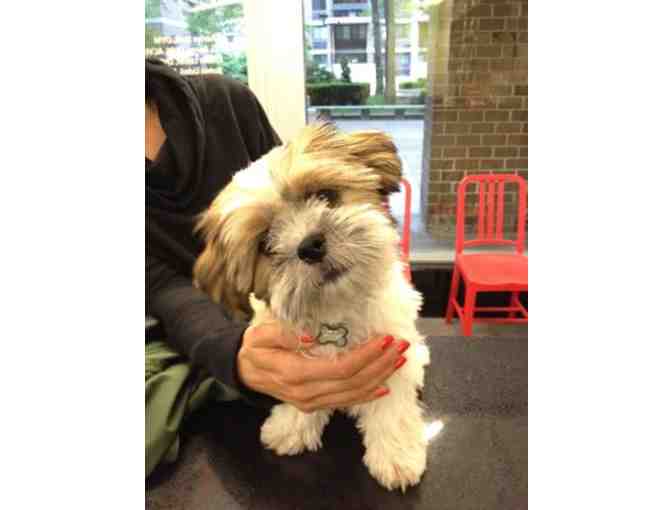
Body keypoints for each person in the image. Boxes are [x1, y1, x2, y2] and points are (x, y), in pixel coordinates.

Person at [145, 59, 406, 477]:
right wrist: (236, 355)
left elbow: (277, 179)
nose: (309, 240)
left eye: (325, 196)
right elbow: (158, 284)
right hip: (217, 354)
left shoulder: (227, 101)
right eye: (268, 243)